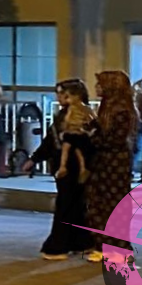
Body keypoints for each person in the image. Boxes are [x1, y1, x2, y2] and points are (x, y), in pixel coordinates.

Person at [86, 71, 139, 263]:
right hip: (103, 161)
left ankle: (118, 248)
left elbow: (114, 139)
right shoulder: (107, 108)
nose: (97, 88)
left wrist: (92, 137)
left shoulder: (122, 111)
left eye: (101, 84)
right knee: (98, 202)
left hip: (115, 162)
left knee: (114, 203)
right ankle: (102, 244)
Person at [40, 79, 94, 260]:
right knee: (75, 204)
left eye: (63, 94)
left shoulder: (78, 114)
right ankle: (80, 242)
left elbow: (71, 141)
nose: (59, 97)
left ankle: (59, 245)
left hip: (72, 166)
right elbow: (51, 140)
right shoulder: (66, 114)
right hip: (72, 165)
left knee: (67, 204)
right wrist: (35, 158)